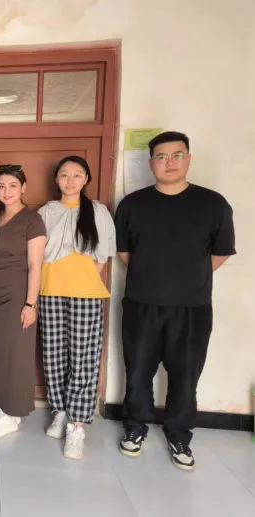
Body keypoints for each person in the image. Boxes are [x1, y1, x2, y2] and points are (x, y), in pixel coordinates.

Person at [115, 131, 236, 471]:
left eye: (176, 155)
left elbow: (220, 253)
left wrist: (186, 278)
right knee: (138, 370)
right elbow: (124, 253)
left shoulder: (213, 204)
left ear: (188, 159)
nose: (169, 162)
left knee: (185, 375)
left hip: (192, 307)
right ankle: (135, 426)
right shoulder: (133, 204)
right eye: (161, 156)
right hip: (141, 303)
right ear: (151, 162)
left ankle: (179, 434)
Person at [37, 156, 116, 460]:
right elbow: (36, 254)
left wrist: (84, 279)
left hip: (85, 294)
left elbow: (102, 257)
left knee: (83, 358)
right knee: (53, 354)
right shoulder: (46, 211)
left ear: (86, 179)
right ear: (56, 179)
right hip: (50, 291)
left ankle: (77, 424)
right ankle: (59, 410)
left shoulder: (97, 211)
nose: (70, 181)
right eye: (64, 175)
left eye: (77, 175)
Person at [0, 165, 46, 439]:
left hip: (18, 296)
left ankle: (12, 413)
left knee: (17, 355)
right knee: (1, 353)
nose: (6, 191)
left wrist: (30, 304)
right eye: (1, 186)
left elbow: (35, 265)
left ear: (23, 188)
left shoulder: (32, 220)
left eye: (12, 185)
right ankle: (6, 407)